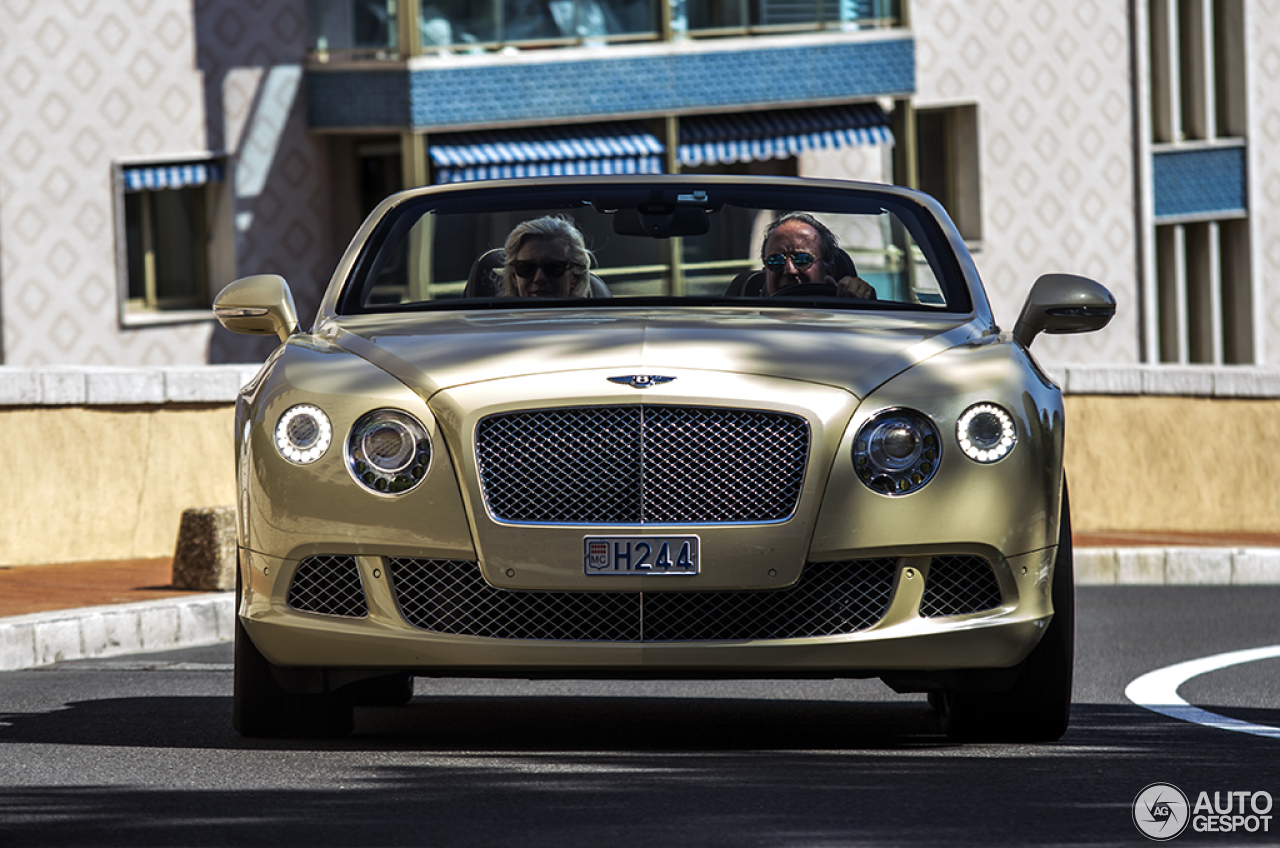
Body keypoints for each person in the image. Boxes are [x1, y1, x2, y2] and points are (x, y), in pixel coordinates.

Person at [759, 212, 876, 299]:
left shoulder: (845, 317)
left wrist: (865, 304)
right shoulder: (746, 318)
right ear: (765, 275)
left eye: (802, 259)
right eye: (776, 261)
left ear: (829, 271)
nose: (790, 270)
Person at [501, 215, 596, 298]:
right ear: (514, 277)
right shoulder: (493, 317)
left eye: (552, 268)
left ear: (574, 277)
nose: (539, 278)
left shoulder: (593, 318)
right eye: (526, 268)